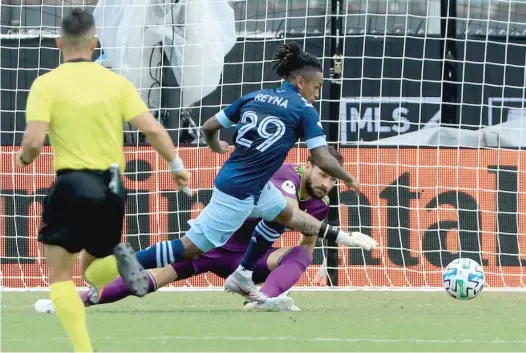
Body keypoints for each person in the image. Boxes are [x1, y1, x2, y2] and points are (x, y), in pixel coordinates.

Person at [126, 42, 378, 302]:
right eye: (317, 87)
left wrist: (216, 145)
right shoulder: (304, 110)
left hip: (255, 185)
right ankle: (126, 262)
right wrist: (348, 178)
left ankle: (244, 275)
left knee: (286, 214)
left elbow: (209, 126)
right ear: (301, 82)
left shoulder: (254, 97)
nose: (317, 93)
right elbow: (322, 157)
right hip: (240, 190)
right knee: (189, 248)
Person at [17, 8, 190, 352]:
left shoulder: (46, 84)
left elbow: (34, 143)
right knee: (94, 268)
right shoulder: (116, 82)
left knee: (61, 277)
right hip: (112, 186)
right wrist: (175, 164)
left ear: (58, 43)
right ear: (95, 43)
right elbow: (153, 129)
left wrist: (24, 158)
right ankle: (123, 261)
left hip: (72, 183)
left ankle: (84, 349)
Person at [33, 149, 347, 313]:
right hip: (210, 246)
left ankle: (265, 297)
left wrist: (283, 278)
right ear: (308, 165)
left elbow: (306, 244)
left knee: (300, 253)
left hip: (249, 261)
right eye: (323, 174)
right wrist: (340, 235)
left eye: (333, 180)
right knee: (149, 279)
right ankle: (77, 300)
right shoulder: (283, 173)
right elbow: (288, 209)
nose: (326, 183)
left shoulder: (321, 205)